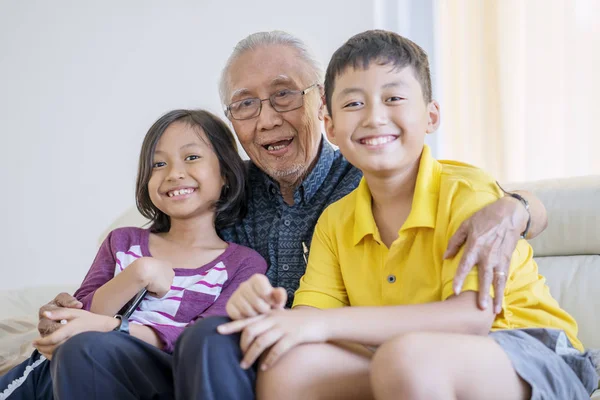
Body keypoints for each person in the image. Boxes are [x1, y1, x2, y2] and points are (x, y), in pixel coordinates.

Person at [34, 31, 549, 400]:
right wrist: (81, 308)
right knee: (175, 343)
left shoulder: (366, 170)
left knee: (213, 343)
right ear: (231, 123)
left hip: (300, 349)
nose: (267, 118)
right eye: (245, 105)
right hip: (238, 347)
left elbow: (485, 200)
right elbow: (159, 247)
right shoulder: (226, 188)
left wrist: (519, 207)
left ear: (321, 106)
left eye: (283, 93)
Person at [218, 30, 599, 399]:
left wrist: (317, 323)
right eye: (353, 103)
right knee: (288, 365)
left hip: (528, 353)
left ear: (431, 116)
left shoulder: (465, 190)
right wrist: (274, 310)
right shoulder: (335, 222)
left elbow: (472, 318)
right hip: (405, 358)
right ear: (330, 125)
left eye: (394, 98)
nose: (374, 117)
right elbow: (309, 317)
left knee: (406, 358)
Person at [0, 109, 267, 399]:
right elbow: (81, 315)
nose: (174, 173)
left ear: (226, 173)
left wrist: (114, 327)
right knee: (76, 349)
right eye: (158, 164)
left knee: (84, 347)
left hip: (167, 373)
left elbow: (207, 341)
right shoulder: (123, 241)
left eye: (191, 157)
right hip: (88, 361)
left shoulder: (243, 264)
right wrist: (140, 274)